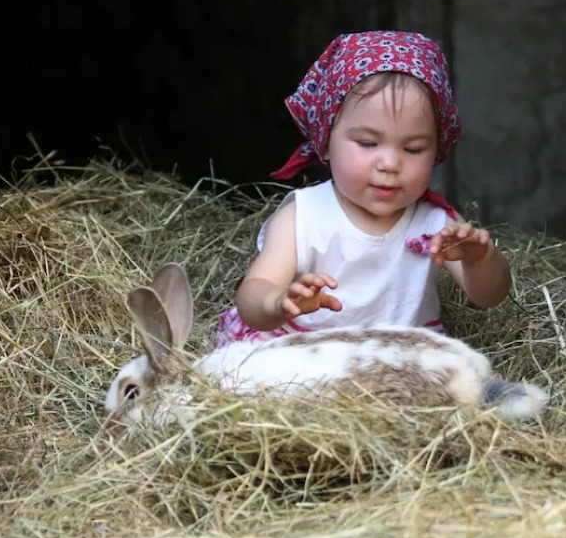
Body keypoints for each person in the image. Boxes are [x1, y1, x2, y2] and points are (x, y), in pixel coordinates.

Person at [215, 30, 511, 345]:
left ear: (437, 150)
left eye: (413, 149)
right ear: (325, 142)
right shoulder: (303, 216)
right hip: (306, 352)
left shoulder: (435, 224)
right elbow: (253, 293)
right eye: (368, 143)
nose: (390, 163)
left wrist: (479, 259)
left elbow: (488, 296)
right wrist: (276, 303)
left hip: (399, 362)